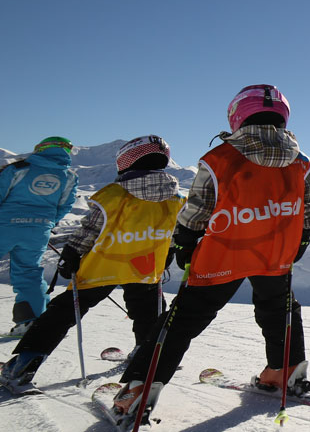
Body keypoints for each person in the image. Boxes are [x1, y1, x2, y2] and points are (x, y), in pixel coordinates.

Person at [112, 84, 310, 420]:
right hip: (275, 252)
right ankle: (287, 373)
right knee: (280, 308)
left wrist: (185, 241)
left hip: (224, 252)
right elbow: (307, 207)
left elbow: (198, 210)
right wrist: (303, 238)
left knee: (184, 318)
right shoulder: (301, 161)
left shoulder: (219, 159)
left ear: (238, 115)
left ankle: (138, 390)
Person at [1, 135, 183, 387]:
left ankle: (24, 364)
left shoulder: (113, 195)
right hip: (145, 268)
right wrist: (170, 253)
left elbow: (90, 230)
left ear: (127, 160)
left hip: (102, 268)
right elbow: (174, 232)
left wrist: (72, 253)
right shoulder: (176, 198)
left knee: (63, 312)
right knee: (150, 311)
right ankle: (146, 355)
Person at [0, 137, 78, 336]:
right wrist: (47, 222)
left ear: (40, 148)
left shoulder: (19, 168)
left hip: (5, 225)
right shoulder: (68, 176)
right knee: (28, 273)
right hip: (38, 230)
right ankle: (31, 321)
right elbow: (65, 205)